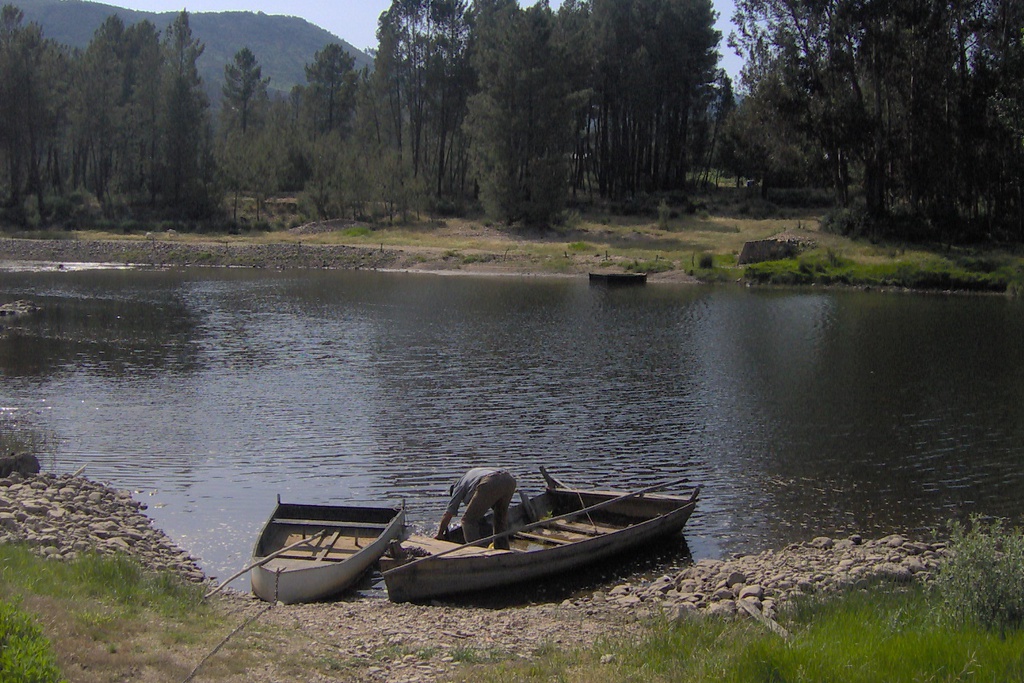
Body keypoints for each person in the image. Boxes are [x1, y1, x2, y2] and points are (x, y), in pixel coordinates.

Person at [436, 468, 517, 550]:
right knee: (499, 519)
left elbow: (449, 513)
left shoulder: (458, 487)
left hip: (490, 480)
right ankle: (502, 549)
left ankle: (476, 551)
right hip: (509, 480)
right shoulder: (471, 477)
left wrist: (440, 534)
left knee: (468, 521)